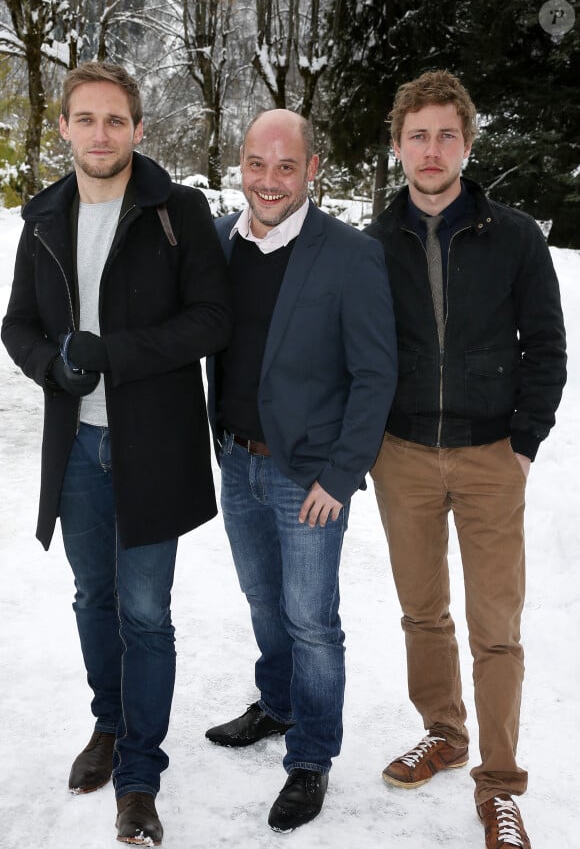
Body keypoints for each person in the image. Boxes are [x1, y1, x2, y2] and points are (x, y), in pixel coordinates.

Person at [1, 62, 231, 845]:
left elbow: (211, 320)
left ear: (138, 128)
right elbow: (17, 324)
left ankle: (139, 770)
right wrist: (52, 363)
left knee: (144, 612)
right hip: (76, 451)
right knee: (92, 599)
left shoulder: (177, 211)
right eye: (85, 119)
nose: (100, 134)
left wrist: (116, 353)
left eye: (115, 120)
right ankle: (109, 722)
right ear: (64, 127)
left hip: (151, 446)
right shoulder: (43, 218)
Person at [365, 70, 567, 849]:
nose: (431, 149)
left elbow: (546, 346)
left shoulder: (514, 235)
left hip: (489, 456)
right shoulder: (372, 244)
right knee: (422, 610)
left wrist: (523, 444)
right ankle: (444, 732)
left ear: (467, 143)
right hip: (404, 455)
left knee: (496, 627)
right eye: (418, 135)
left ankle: (502, 784)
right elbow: (358, 348)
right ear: (398, 144)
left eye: (447, 134)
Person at [205, 108, 397, 832]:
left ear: (313, 169)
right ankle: (279, 704)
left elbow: (376, 374)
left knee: (312, 620)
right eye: (258, 164)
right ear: (241, 164)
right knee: (262, 600)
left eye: (287, 166)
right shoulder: (222, 240)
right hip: (237, 459)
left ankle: (312, 754)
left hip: (309, 476)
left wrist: (341, 474)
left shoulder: (349, 255)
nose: (270, 181)